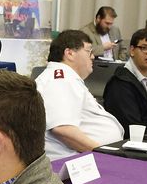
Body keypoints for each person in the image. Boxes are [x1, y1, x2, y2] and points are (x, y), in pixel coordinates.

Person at [35, 30, 123, 160]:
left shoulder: (66, 78)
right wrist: (102, 153)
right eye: (89, 51)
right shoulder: (60, 79)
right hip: (73, 162)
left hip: (82, 158)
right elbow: (63, 129)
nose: (92, 57)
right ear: (69, 53)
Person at [103, 29, 147, 136]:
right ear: (132, 50)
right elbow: (131, 127)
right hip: (136, 143)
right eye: (145, 48)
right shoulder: (120, 83)